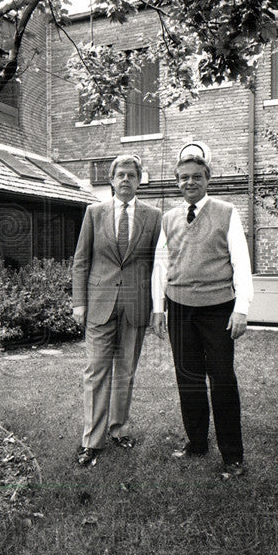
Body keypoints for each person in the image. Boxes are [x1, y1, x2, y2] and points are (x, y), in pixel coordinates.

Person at [150, 142, 254, 479]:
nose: (190, 182)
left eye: (196, 176)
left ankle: (233, 457)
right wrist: (159, 309)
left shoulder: (226, 212)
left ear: (208, 179)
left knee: (222, 380)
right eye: (183, 178)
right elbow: (160, 267)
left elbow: (241, 262)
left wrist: (241, 308)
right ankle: (196, 442)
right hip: (180, 309)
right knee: (188, 379)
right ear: (177, 182)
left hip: (218, 310)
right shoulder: (169, 218)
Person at [72, 154, 162, 467]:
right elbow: (81, 260)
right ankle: (92, 441)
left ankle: (118, 428)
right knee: (96, 370)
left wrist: (157, 306)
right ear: (111, 180)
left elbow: (157, 265)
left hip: (136, 306)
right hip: (99, 304)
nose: (125, 180)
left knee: (125, 372)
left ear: (139, 181)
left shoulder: (153, 216)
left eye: (131, 175)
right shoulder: (93, 213)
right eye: (120, 175)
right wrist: (78, 302)